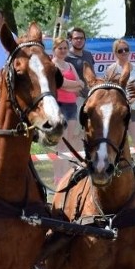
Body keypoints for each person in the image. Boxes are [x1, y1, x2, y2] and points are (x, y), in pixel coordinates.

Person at [104, 38, 135, 176]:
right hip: (119, 113)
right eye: (120, 50)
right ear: (115, 53)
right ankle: (117, 169)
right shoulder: (111, 70)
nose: (124, 52)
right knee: (118, 141)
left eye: (126, 49)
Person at [50, 37, 85, 184]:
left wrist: (71, 85)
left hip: (72, 106)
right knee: (61, 142)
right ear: (54, 49)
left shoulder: (70, 65)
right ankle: (59, 175)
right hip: (59, 105)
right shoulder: (52, 65)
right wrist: (72, 85)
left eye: (65, 48)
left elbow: (81, 85)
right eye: (60, 48)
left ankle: (67, 173)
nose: (63, 51)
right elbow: (60, 84)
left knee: (70, 141)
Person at [66, 26, 96, 102]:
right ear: (70, 40)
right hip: (75, 98)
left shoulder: (88, 54)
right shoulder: (66, 57)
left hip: (91, 95)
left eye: (82, 38)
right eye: (76, 38)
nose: (79, 40)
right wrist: (75, 92)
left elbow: (93, 74)